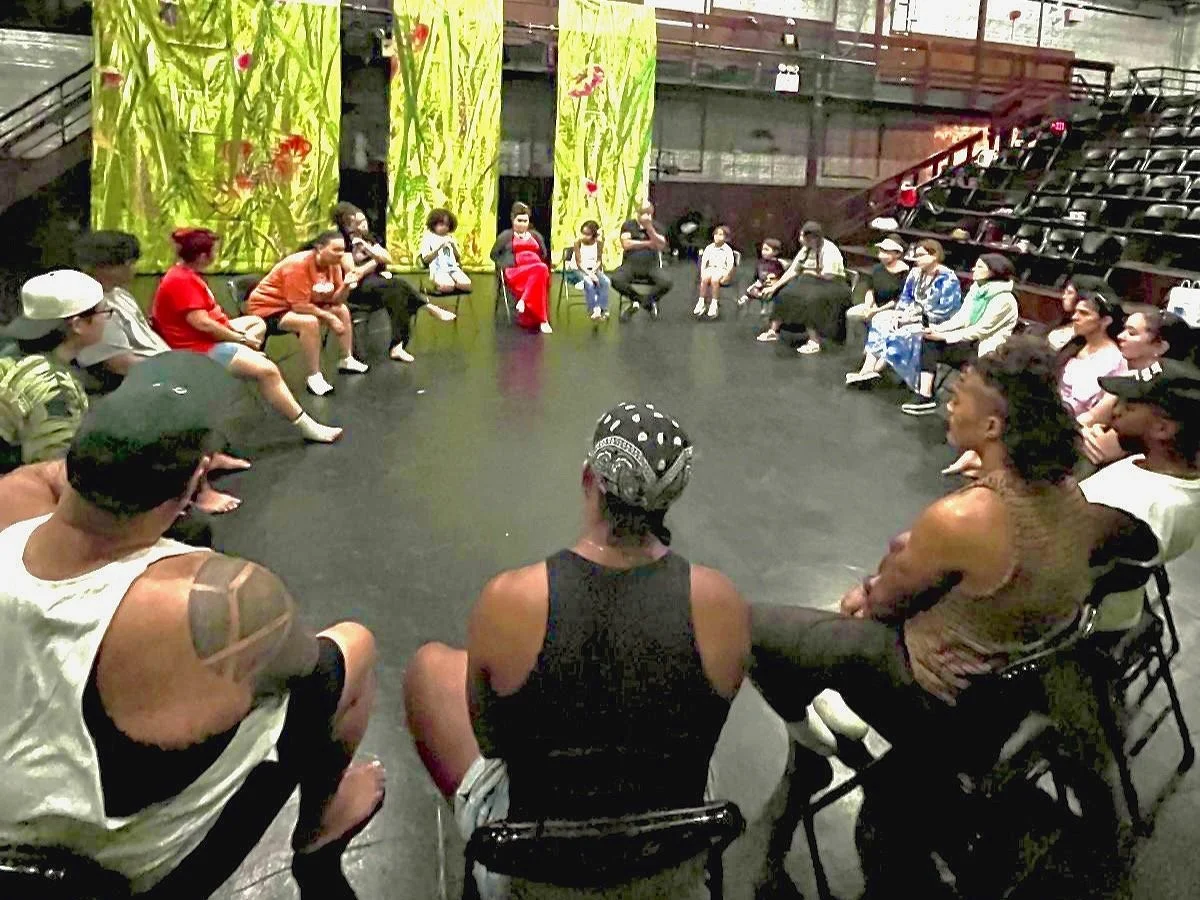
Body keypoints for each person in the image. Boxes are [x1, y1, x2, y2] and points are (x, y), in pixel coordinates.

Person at [0, 352, 384, 898]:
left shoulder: (10, 527)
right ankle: (321, 821)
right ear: (194, 483)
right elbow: (299, 665)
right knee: (348, 650)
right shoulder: (220, 596)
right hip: (131, 877)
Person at [751, 337, 1094, 893]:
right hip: (1015, 685)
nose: (950, 404)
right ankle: (821, 733)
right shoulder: (1069, 493)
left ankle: (810, 749)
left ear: (993, 429)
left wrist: (870, 591)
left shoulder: (967, 515)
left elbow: (882, 603)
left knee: (748, 628)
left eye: (960, 397)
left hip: (942, 698)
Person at [402, 403, 750, 898]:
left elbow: (491, 742)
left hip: (533, 872)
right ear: (671, 496)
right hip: (670, 864)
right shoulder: (723, 604)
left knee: (429, 667)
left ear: (589, 477)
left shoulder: (512, 599)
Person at [73, 230, 256, 513]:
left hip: (159, 359)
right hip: (131, 378)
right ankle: (199, 491)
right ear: (104, 266)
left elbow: (146, 331)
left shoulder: (119, 295)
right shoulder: (94, 309)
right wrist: (171, 371)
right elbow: (118, 363)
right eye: (126, 263)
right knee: (187, 402)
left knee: (211, 386)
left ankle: (209, 455)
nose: (132, 269)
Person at [151, 229, 343, 443]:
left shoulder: (187, 275)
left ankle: (246, 359)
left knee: (256, 323)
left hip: (209, 334)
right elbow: (202, 324)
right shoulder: (180, 281)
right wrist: (238, 339)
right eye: (214, 251)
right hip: (198, 347)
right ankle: (308, 426)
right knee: (268, 371)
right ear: (204, 256)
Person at [1082, 359, 1200, 632]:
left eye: (1129, 406)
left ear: (1162, 429)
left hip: (1082, 619)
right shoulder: (1159, 464)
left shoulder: (1138, 513)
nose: (1115, 411)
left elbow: (1046, 561)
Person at [1, 270, 109, 474]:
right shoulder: (54, 387)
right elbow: (57, 473)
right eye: (105, 312)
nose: (108, 318)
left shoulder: (9, 353)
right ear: (78, 325)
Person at [244, 231, 370, 396]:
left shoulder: (333, 265)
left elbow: (336, 301)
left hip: (300, 305)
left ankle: (346, 359)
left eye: (343, 250)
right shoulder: (297, 265)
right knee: (309, 322)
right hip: (268, 310)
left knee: (341, 310)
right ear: (319, 249)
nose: (341, 255)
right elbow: (299, 306)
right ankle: (314, 376)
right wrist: (329, 318)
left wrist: (346, 286)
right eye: (336, 250)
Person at [334, 202, 455, 364]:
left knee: (399, 295)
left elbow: (387, 258)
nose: (364, 225)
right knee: (398, 285)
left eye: (364, 221)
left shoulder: (369, 239)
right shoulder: (343, 242)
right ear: (348, 225)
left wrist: (369, 251)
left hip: (378, 283)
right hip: (357, 289)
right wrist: (374, 262)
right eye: (358, 223)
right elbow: (354, 272)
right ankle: (428, 306)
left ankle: (397, 346)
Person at [901, 253, 1018, 416]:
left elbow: (981, 330)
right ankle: (925, 395)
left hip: (987, 349)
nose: (973, 269)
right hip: (967, 342)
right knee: (929, 340)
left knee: (971, 359)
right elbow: (961, 319)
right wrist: (937, 329)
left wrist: (944, 336)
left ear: (994, 272)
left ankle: (967, 405)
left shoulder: (1005, 300)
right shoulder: (977, 290)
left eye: (979, 267)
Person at [1079, 308, 1193, 467]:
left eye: (1132, 333)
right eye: (1124, 329)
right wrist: (1084, 431)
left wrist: (1080, 435)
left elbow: (1100, 448)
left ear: (1160, 347)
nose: (1120, 336)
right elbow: (1087, 421)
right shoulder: (1128, 380)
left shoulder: (1161, 393)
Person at [846, 238, 960, 388]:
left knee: (898, 332)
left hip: (933, 321)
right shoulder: (915, 273)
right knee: (881, 319)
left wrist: (910, 318)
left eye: (921, 255)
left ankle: (877, 370)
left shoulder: (948, 279)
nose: (916, 259)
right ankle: (867, 370)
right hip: (910, 314)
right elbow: (905, 297)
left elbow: (944, 310)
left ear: (934, 256)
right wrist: (899, 314)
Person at [756, 221, 851, 355]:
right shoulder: (806, 249)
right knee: (785, 293)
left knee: (810, 300)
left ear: (814, 238)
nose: (801, 239)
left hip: (833, 283)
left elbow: (828, 275)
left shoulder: (829, 249)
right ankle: (773, 331)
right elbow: (793, 270)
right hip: (810, 281)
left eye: (804, 237)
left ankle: (814, 341)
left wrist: (809, 272)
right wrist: (775, 286)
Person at [1059, 291, 1127, 418]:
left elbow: (1084, 404)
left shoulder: (1112, 359)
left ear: (1105, 321)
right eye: (1075, 311)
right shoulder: (1073, 345)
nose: (1075, 317)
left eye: (1084, 313)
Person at [491, 202, 553, 334]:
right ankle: (544, 321)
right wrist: (506, 264)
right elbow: (494, 255)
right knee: (541, 269)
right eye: (519, 220)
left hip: (534, 271)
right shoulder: (505, 236)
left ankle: (524, 301)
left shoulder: (535, 236)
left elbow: (544, 253)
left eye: (525, 221)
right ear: (513, 219)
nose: (522, 224)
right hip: (516, 271)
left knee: (540, 271)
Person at [611, 202, 672, 320]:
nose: (647, 217)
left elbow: (660, 245)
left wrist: (649, 229)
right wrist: (648, 243)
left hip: (651, 266)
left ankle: (638, 304)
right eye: (644, 214)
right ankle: (641, 301)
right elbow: (626, 244)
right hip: (630, 265)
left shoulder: (657, 227)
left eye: (649, 214)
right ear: (638, 214)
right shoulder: (629, 225)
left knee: (666, 282)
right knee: (616, 280)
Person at [845, 234, 909, 327]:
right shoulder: (877, 269)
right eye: (881, 250)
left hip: (892, 309)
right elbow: (871, 289)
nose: (882, 254)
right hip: (875, 305)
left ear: (897, 254)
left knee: (877, 320)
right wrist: (869, 306)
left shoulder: (905, 273)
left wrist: (877, 311)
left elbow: (898, 300)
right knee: (852, 314)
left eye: (887, 251)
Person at [1046, 276, 1115, 351]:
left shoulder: (1088, 333)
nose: (1064, 296)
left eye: (1070, 293)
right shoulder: (1063, 322)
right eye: (1064, 292)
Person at [420, 208, 472, 294]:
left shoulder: (450, 238)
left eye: (447, 225)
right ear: (433, 224)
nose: (445, 227)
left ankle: (453, 284)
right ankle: (438, 286)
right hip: (438, 270)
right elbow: (425, 259)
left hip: (453, 269)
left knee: (467, 285)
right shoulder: (428, 238)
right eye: (441, 224)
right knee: (448, 287)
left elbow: (458, 258)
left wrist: (453, 247)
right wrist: (438, 248)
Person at [694, 225, 736, 319]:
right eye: (716, 234)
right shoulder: (709, 248)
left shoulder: (727, 249)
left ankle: (714, 303)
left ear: (726, 237)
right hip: (711, 269)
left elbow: (730, 265)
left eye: (721, 235)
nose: (717, 236)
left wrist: (727, 276)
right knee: (705, 279)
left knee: (714, 280)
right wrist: (702, 273)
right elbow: (704, 263)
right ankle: (701, 301)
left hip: (722, 270)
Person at [572, 219, 611, 321]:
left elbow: (598, 260)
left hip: (593, 268)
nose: (584, 236)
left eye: (587, 234)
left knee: (606, 281)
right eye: (583, 233)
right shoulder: (578, 242)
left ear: (593, 234)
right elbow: (579, 263)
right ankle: (593, 310)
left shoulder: (599, 243)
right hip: (580, 269)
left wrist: (594, 272)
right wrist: (590, 275)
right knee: (589, 282)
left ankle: (602, 309)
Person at [737, 237, 785, 314]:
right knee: (750, 289)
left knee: (766, 294)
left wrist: (771, 281)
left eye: (767, 250)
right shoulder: (760, 262)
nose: (764, 252)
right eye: (763, 249)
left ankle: (765, 307)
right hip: (760, 283)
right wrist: (755, 281)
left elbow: (779, 276)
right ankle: (746, 299)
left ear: (775, 252)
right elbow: (756, 274)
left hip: (770, 284)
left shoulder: (777, 264)